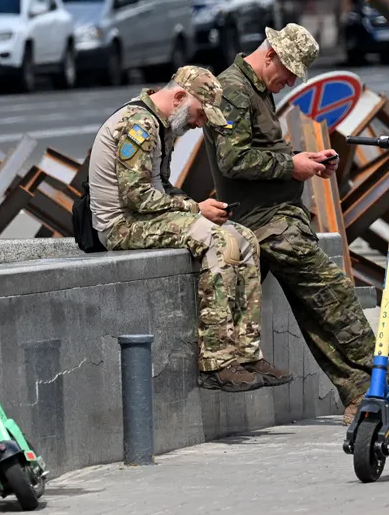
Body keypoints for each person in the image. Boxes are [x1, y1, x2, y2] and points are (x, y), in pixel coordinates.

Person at [201, 24, 389, 424]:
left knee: (317, 311)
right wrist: (294, 165)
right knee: (336, 293)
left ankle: (361, 395)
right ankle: (384, 387)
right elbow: (233, 161)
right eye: (287, 71)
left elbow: (259, 151)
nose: (288, 81)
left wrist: (306, 160)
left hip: (280, 217)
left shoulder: (257, 88)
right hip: (263, 222)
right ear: (269, 53)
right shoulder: (233, 89)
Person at [87, 65, 294, 393]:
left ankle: (247, 353)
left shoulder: (161, 124)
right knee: (215, 240)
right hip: (121, 226)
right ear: (180, 96)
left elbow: (162, 187)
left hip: (146, 218)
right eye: (200, 115)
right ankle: (216, 363)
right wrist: (196, 209)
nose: (199, 125)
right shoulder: (138, 124)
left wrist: (197, 207)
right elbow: (136, 195)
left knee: (245, 239)